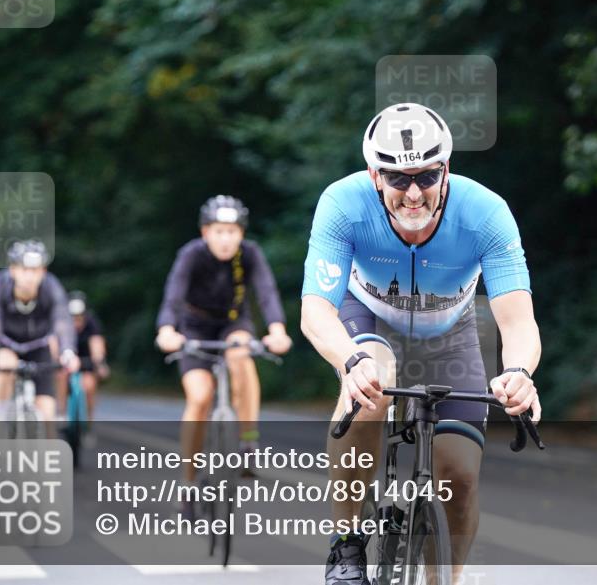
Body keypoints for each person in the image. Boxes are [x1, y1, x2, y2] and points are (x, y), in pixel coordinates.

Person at [301, 103, 542, 585]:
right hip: (366, 317)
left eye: (426, 178)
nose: (413, 194)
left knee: (460, 475)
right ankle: (346, 546)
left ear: (445, 169)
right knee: (372, 382)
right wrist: (350, 362)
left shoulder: (486, 214)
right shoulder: (343, 204)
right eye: (397, 179)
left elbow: (518, 321)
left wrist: (519, 373)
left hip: (450, 334)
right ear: (375, 175)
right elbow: (315, 311)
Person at [155, 196, 292, 507]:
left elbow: (266, 292)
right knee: (200, 397)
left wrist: (277, 329)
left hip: (233, 324)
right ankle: (188, 482)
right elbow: (173, 296)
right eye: (219, 231)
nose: (226, 239)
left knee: (240, 354)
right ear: (206, 232)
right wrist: (166, 329)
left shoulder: (251, 255)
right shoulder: (190, 255)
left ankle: (247, 443)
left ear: (241, 233)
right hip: (193, 329)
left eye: (232, 231)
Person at [0, 240, 80, 423]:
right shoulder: (0, 285)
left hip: (38, 346)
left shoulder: (51, 286)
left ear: (43, 272)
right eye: (24, 269)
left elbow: (62, 319)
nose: (29, 276)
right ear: (13, 270)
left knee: (48, 416)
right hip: (7, 343)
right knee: (5, 365)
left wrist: (68, 352)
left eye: (35, 270)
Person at [64, 291, 109, 424]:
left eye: (78, 318)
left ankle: (88, 421)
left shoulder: (91, 323)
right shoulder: (61, 323)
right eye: (72, 317)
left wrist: (100, 363)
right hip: (66, 359)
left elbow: (97, 343)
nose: (75, 322)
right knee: (59, 377)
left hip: (86, 359)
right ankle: (61, 414)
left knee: (89, 385)